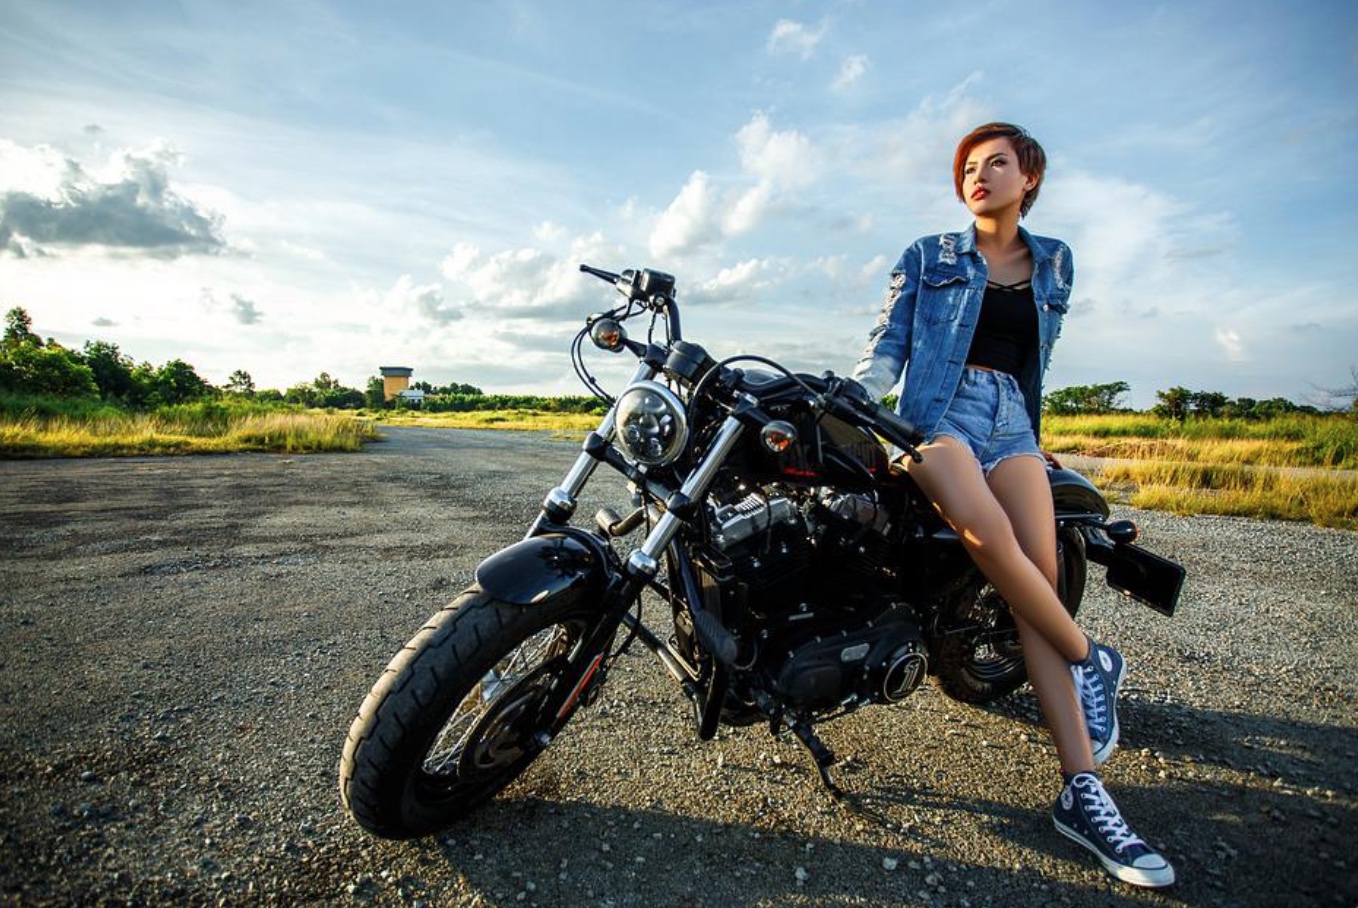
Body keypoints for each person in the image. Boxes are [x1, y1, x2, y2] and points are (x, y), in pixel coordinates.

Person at [850, 122, 1174, 889]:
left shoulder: (1055, 260)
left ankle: (1084, 792)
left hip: (1013, 426)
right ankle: (1092, 657)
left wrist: (1036, 437)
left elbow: (1035, 359)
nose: (978, 174)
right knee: (988, 537)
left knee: (1034, 582)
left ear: (1029, 177)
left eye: (996, 163)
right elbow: (888, 347)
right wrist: (858, 398)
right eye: (967, 166)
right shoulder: (928, 255)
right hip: (936, 418)